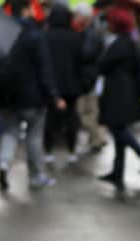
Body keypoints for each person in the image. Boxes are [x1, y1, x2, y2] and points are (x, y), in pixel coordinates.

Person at [0, 0, 64, 192]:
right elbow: (45, 68)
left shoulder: (2, 33)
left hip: (9, 95)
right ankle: (36, 176)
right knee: (34, 136)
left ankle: (4, 164)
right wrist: (53, 94)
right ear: (27, 9)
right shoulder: (35, 34)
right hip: (34, 96)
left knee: (10, 132)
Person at [95, 6, 140, 190]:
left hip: (118, 94)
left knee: (119, 130)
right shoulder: (130, 42)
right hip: (126, 93)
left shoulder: (119, 44)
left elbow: (102, 65)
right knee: (119, 131)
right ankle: (118, 171)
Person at [44, 4, 90, 165]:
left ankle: (48, 150)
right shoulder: (76, 37)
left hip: (52, 84)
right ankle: (71, 149)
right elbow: (81, 62)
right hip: (71, 85)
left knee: (50, 117)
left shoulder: (46, 36)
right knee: (71, 118)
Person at [73, 3, 108, 153]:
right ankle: (96, 138)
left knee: (86, 111)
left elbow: (86, 54)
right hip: (91, 76)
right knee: (91, 110)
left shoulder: (89, 33)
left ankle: (97, 138)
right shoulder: (92, 31)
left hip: (88, 77)